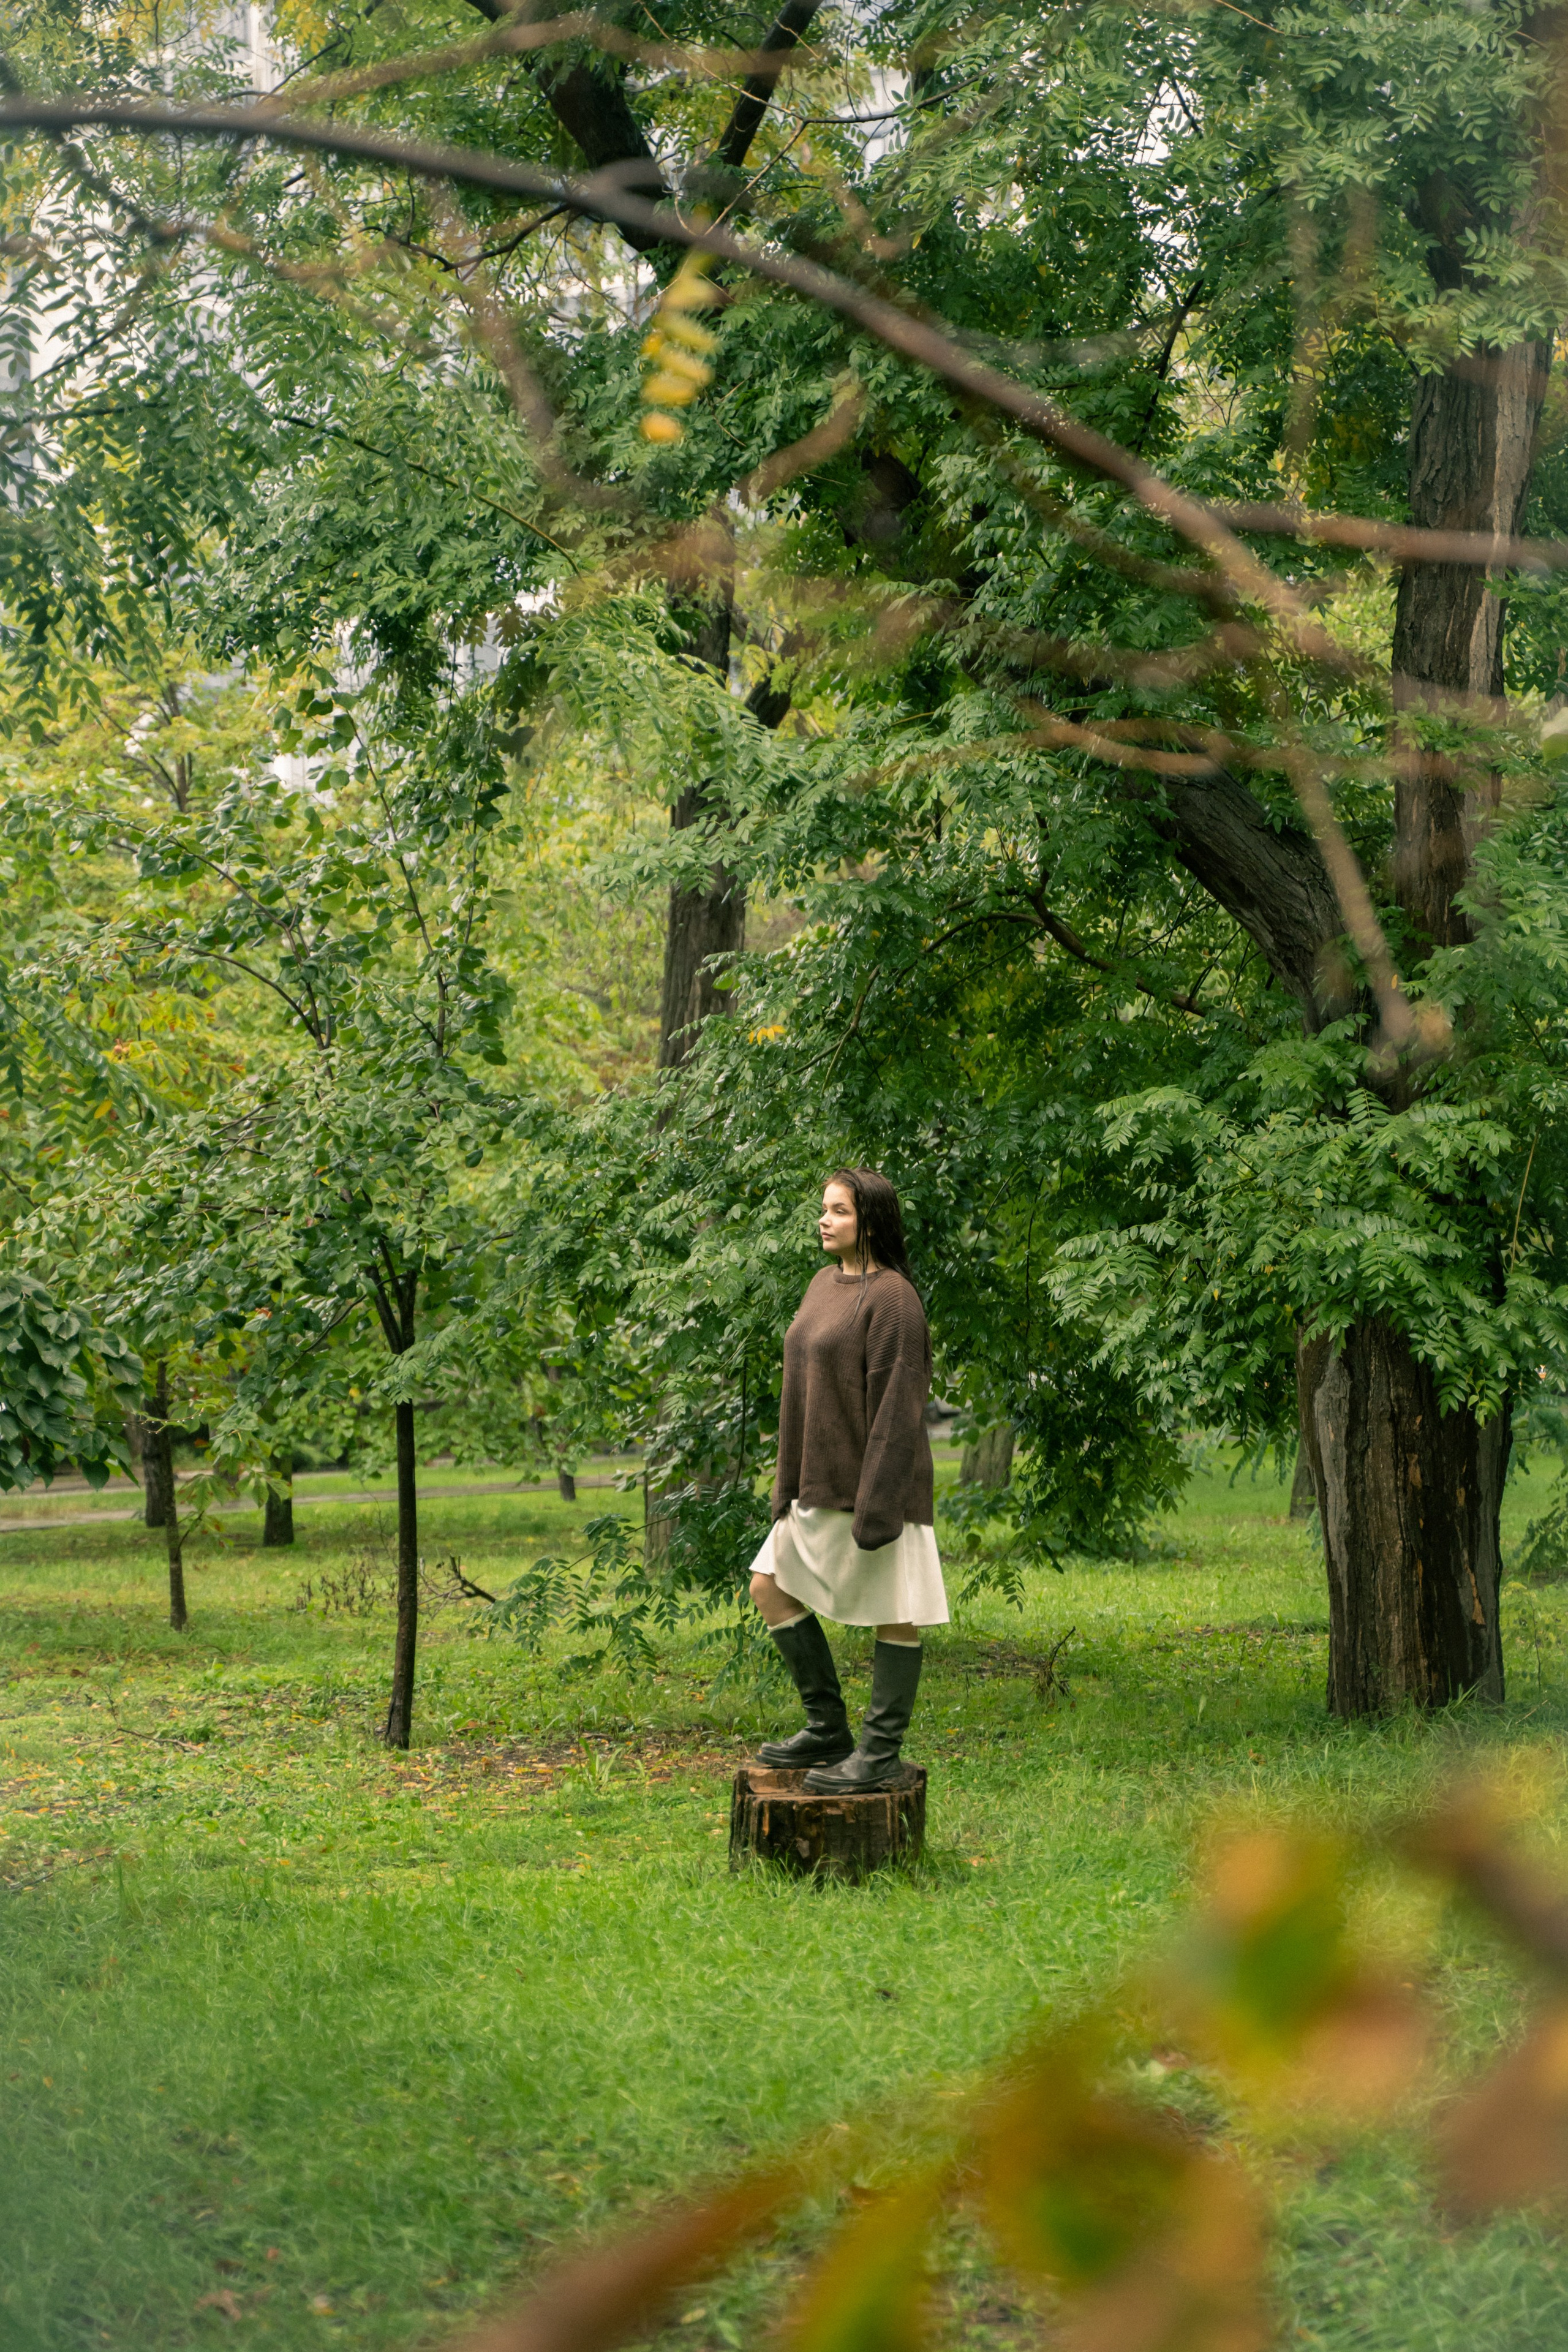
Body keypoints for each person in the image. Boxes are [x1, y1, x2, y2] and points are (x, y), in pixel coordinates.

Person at [747, 1166, 948, 1792]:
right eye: (824, 1210)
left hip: (875, 1486)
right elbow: (797, 1393)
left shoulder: (894, 1299)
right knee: (767, 1586)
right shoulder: (820, 1285)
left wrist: (878, 1505)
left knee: (895, 1610)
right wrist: (787, 1483)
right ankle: (828, 1728)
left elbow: (899, 1406)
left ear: (871, 1220)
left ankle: (879, 1752)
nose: (824, 1220)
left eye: (837, 1211)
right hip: (817, 1479)